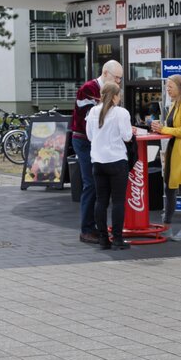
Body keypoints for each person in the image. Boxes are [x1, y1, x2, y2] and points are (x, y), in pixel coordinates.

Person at [71, 60, 123, 244]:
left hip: (96, 143)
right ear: (105, 73)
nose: (118, 82)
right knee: (91, 185)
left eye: (120, 79)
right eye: (116, 77)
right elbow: (91, 120)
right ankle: (87, 229)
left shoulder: (107, 92)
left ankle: (96, 228)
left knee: (98, 186)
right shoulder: (88, 89)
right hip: (84, 141)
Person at [85, 82, 135, 250]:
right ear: (114, 96)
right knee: (118, 202)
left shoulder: (92, 112)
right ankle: (118, 239)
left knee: (101, 201)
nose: (120, 98)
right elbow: (127, 136)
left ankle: (103, 239)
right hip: (117, 161)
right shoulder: (121, 113)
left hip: (98, 162)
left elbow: (90, 136)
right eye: (119, 95)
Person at [151, 74, 181, 241]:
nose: (168, 89)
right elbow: (174, 128)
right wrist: (160, 128)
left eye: (170, 86)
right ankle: (167, 226)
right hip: (175, 152)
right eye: (167, 87)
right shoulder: (175, 105)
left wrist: (162, 129)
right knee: (169, 190)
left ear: (180, 87)